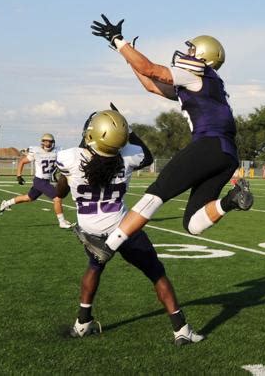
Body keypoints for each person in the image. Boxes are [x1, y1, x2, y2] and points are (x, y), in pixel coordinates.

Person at [74, 14, 254, 263]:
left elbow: (150, 69)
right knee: (193, 224)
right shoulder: (207, 84)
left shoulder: (198, 71)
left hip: (209, 144)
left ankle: (108, 245)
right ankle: (231, 201)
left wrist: (118, 40)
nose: (187, 51)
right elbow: (151, 84)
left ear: (204, 55)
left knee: (156, 194)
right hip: (227, 154)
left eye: (192, 48)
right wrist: (129, 55)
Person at [54, 108, 204, 345]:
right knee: (156, 273)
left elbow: (62, 185)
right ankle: (180, 329)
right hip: (124, 228)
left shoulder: (68, 157)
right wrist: (129, 131)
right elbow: (147, 155)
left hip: (91, 230)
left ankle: (82, 323)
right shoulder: (129, 156)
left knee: (94, 267)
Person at [0, 133, 72, 229]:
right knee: (57, 198)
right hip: (40, 181)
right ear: (42, 142)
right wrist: (19, 176)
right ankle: (61, 222)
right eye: (46, 141)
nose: (48, 144)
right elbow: (22, 162)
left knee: (28, 198)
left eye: (50, 142)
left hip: (45, 181)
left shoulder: (57, 151)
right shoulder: (36, 151)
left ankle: (6, 203)